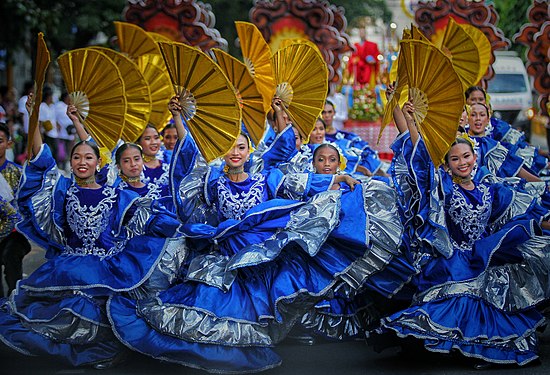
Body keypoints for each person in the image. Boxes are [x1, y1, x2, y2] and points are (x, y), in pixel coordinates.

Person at [106, 95, 394, 373]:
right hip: (222, 257)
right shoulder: (211, 182)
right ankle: (213, 350)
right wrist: (180, 118)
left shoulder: (265, 179)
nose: (235, 152)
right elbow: (188, 159)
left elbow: (302, 184)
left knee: (251, 307)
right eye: (231, 147)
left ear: (248, 152)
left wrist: (338, 178)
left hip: (257, 258)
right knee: (211, 306)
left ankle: (243, 346)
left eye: (241, 147)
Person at [0, 95, 184, 369]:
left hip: (107, 269)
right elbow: (41, 160)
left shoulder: (116, 195)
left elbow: (154, 221)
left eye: (88, 157)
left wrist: (188, 232)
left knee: (117, 321)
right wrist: (34, 119)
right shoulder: (63, 191)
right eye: (76, 157)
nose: (82, 161)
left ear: (100, 164)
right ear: (71, 162)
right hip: (69, 266)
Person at [376, 100, 550, 369]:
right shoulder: (443, 188)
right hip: (452, 260)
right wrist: (408, 119)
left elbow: (524, 205)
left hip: (481, 257)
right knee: (460, 300)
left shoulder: (490, 189)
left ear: (475, 158)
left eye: (466, 157)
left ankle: (478, 348)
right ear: (447, 165)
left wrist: (542, 218)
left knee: (490, 298)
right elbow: (420, 159)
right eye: (455, 159)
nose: (462, 162)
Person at [0, 123, 31, 297]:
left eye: (0, 141)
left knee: (10, 256)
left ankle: (15, 302)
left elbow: (27, 207)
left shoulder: (19, 173)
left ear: (8, 144)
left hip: (14, 232)